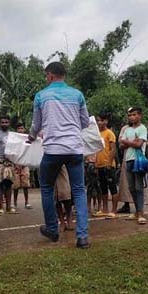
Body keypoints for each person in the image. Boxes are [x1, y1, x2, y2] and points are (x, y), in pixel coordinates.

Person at [28, 62, 91, 249]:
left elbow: (36, 124)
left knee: (47, 188)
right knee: (79, 191)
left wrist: (31, 138)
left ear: (50, 75)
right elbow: (85, 122)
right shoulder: (77, 95)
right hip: (74, 150)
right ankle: (83, 237)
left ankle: (53, 230)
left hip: (53, 150)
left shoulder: (41, 96)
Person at [120, 107, 148, 225]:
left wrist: (126, 142)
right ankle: (137, 211)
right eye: (130, 115)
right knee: (131, 187)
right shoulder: (127, 129)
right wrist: (131, 142)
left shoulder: (142, 128)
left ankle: (141, 213)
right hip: (128, 159)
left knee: (138, 187)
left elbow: (139, 144)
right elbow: (121, 146)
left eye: (134, 115)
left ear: (140, 116)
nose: (131, 117)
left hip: (138, 160)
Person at [0, 116, 17, 216]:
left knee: (9, 184)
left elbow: (16, 148)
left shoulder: (13, 135)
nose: (4, 124)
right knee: (0, 185)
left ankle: (9, 207)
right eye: (3, 122)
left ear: (9, 123)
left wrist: (16, 162)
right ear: (0, 123)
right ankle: (1, 207)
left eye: (6, 122)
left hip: (9, 162)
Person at [95, 113, 118, 219]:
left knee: (112, 187)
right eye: (98, 120)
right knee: (103, 188)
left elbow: (113, 149)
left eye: (101, 120)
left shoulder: (110, 133)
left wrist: (109, 162)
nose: (99, 122)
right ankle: (104, 209)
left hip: (108, 165)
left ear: (106, 121)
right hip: (99, 164)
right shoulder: (97, 134)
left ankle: (114, 210)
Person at [12, 123, 32, 210]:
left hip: (25, 164)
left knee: (25, 185)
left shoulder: (27, 139)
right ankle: (15, 203)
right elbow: (12, 152)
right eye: (19, 128)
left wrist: (25, 163)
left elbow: (29, 151)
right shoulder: (14, 140)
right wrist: (15, 163)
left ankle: (27, 202)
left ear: (24, 129)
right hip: (16, 164)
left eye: (22, 128)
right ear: (16, 130)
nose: (20, 130)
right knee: (15, 185)